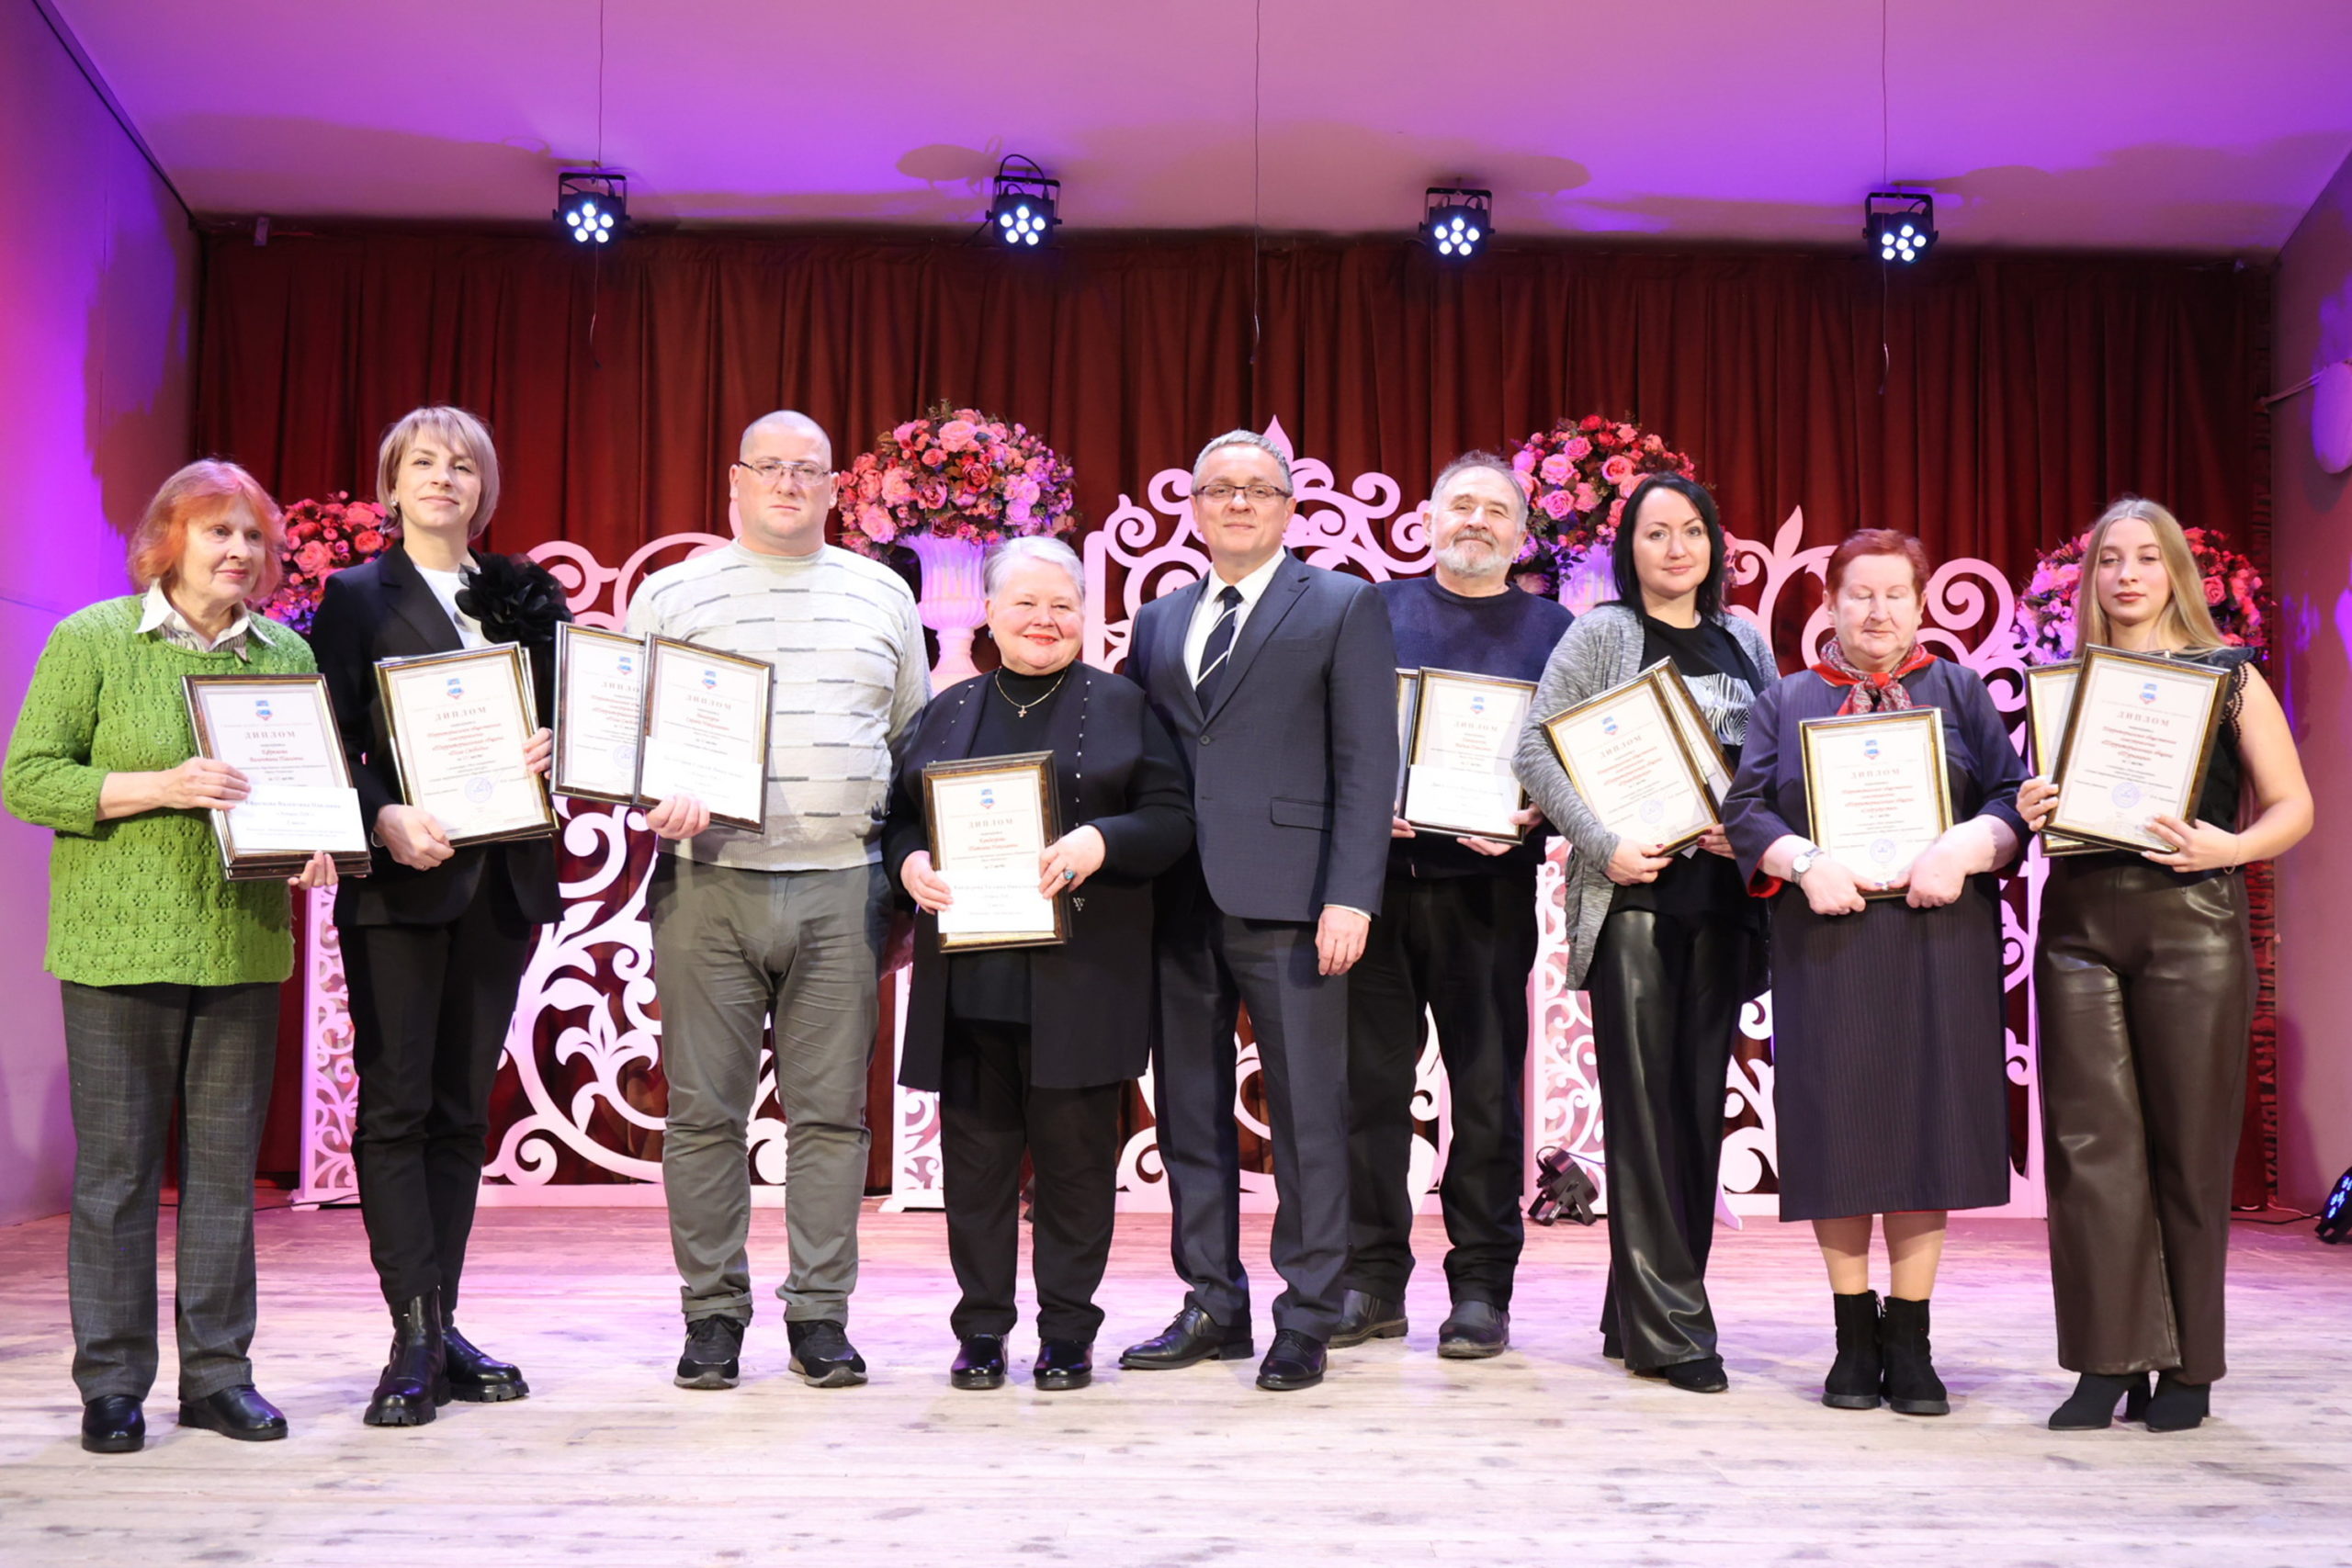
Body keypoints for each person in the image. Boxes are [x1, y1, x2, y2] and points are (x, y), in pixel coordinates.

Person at [4, 460, 337, 1453]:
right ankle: (112, 1385)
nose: (238, 550)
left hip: (241, 944)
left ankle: (219, 1376)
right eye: (217, 531)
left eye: (252, 536)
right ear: (168, 540)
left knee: (226, 1176)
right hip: (117, 945)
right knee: (116, 1177)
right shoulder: (95, 638)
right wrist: (162, 784)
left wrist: (316, 843)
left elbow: (299, 786)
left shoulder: (284, 654)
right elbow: (29, 778)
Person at [628, 410, 928, 1392]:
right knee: (702, 1116)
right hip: (706, 882)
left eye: (809, 470)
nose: (789, 484)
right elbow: (623, 738)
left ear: (836, 488)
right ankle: (712, 1315)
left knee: (832, 1118)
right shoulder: (673, 594)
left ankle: (820, 1315)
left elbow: (911, 743)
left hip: (845, 886)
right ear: (735, 481)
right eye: (770, 467)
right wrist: (650, 792)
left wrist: (903, 880)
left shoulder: (881, 593)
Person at [1724, 529, 2027, 1416]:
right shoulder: (1787, 699)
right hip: (1829, 939)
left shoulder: (1959, 689)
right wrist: (1804, 861)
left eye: (1896, 593)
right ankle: (1854, 1334)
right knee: (1841, 1130)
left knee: (1927, 1130)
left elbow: (2011, 797)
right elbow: (1745, 808)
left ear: (1921, 603)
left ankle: (1912, 1338)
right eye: (1860, 593)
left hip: (1939, 936)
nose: (1878, 611)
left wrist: (1968, 845)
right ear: (1831, 602)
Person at [1120, 428, 1399, 1393]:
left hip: (1296, 900)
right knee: (1188, 1113)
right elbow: (1139, 757)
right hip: (1174, 898)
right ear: (1194, 507)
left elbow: (1367, 762)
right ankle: (1213, 1301)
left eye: (1257, 489)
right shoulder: (1158, 619)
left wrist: (1351, 894)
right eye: (1219, 488)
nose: (1237, 502)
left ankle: (1308, 1313)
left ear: (1288, 508)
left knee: (1309, 1116)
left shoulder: (1342, 604)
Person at [886, 537, 1193, 1392]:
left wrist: (1102, 840)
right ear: (988, 612)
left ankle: (1066, 1332)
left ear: (1086, 616)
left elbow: (1173, 818)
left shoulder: (1126, 705)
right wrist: (910, 863)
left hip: (1085, 979)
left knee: (1075, 1170)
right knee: (976, 1172)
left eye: (1062, 605)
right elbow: (901, 817)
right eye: (1024, 603)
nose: (1044, 620)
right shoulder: (948, 709)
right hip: (971, 981)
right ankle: (982, 1330)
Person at [311, 406, 567, 1427]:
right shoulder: (353, 596)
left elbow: (575, 722)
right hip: (402, 884)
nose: (443, 478)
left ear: (483, 488)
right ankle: (412, 1334)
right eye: (423, 462)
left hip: (502, 883)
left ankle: (440, 1323)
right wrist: (382, 816)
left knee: (462, 1110)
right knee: (398, 1107)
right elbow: (329, 741)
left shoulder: (524, 593)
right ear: (392, 482)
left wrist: (559, 745)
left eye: (463, 465)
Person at [2030, 498, 2311, 1433]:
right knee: (2089, 1152)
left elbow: (2293, 805)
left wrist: (2229, 849)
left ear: (2175, 575)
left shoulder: (2229, 676)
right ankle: (2107, 1361)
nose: (2127, 575)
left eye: (2147, 558)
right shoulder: (2068, 685)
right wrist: (2034, 803)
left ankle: (2189, 1365)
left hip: (2191, 922)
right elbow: (2054, 805)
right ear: (2090, 578)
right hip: (2076, 925)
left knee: (2188, 1151)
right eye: (2110, 559)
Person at [1512, 473, 1773, 1392]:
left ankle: (1637, 1312)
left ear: (1714, 544)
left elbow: (1773, 756)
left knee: (1695, 1117)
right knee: (1645, 1119)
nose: (1675, 548)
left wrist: (1748, 825)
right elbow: (1534, 747)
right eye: (1655, 533)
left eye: (1690, 531)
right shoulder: (1601, 634)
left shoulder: (1745, 638)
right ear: (1629, 548)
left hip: (1725, 904)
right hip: (1632, 901)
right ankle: (1676, 1333)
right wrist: (1603, 845)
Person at [1335, 453, 1570, 1359]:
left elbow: (1576, 757)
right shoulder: (1370, 610)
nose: (1476, 520)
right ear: (1428, 521)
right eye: (1460, 505)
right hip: (1376, 890)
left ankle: (1480, 1289)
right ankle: (1371, 1282)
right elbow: (1332, 731)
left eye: (1495, 509)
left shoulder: (1554, 629)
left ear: (1521, 533)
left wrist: (1538, 808)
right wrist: (1363, 805)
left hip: (1489, 892)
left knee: (1484, 1094)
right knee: (1369, 1094)